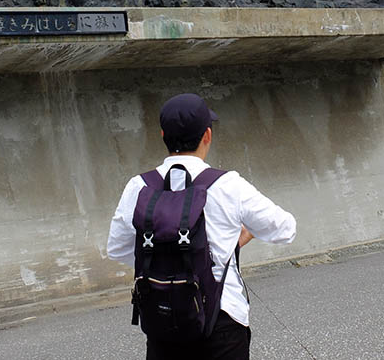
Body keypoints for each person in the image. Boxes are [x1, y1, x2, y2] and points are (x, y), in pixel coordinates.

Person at [107, 94, 297, 359]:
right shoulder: (228, 184)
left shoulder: (138, 186)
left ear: (163, 135)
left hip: (162, 320)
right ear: (207, 135)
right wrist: (240, 236)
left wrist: (166, 262)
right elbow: (285, 228)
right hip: (222, 322)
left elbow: (117, 249)